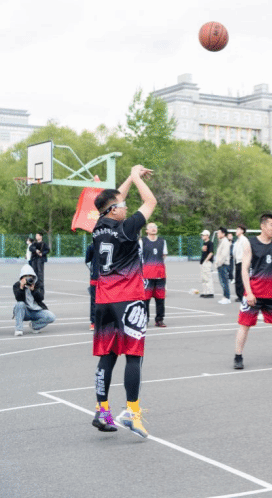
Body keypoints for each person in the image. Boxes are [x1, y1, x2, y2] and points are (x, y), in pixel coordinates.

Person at [90, 164, 156, 438]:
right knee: (134, 356)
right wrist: (136, 176)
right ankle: (132, 412)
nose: (126, 207)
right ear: (113, 211)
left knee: (108, 355)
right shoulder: (127, 229)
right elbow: (150, 201)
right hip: (128, 299)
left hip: (104, 300)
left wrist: (130, 177)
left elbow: (114, 198)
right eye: (123, 205)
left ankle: (102, 411)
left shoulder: (98, 227)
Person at [234, 213, 272, 368]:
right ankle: (238, 356)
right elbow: (244, 269)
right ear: (263, 226)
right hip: (254, 292)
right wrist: (249, 292)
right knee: (244, 325)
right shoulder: (250, 243)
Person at [12, 264, 55, 336]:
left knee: (51, 317)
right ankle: (19, 329)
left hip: (36, 311)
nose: (28, 279)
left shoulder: (38, 284)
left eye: (30, 276)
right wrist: (21, 287)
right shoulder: (17, 285)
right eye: (26, 276)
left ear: (33, 276)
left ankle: (34, 325)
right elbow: (19, 299)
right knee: (19, 304)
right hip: (24, 312)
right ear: (22, 277)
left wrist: (33, 290)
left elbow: (41, 298)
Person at [140, 222, 168, 326]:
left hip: (160, 274)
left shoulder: (162, 241)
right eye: (151, 227)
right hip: (147, 274)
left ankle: (159, 319)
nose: (153, 228)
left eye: (155, 227)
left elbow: (164, 255)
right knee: (145, 299)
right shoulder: (142, 241)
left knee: (160, 298)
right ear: (147, 230)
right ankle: (145, 320)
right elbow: (139, 256)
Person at [215, 227, 232, 304]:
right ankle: (225, 297)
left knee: (224, 282)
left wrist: (219, 263)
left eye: (219, 233)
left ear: (223, 233)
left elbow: (224, 254)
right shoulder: (221, 241)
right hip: (221, 265)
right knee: (222, 282)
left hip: (223, 264)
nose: (217, 234)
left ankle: (227, 298)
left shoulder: (225, 241)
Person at [233, 225, 249, 302]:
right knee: (237, 279)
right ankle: (239, 295)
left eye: (238, 229)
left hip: (242, 261)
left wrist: (245, 261)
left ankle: (242, 295)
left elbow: (246, 252)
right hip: (237, 261)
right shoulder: (238, 240)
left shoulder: (244, 240)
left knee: (241, 279)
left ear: (242, 231)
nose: (236, 231)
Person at [85, 243, 98, 331]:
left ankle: (94, 322)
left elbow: (87, 261)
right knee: (94, 300)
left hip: (100, 277)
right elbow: (88, 260)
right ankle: (94, 322)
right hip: (99, 277)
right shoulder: (92, 246)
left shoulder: (92, 245)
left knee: (94, 300)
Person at [199, 229, 215, 298]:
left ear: (207, 236)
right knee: (203, 278)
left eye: (203, 235)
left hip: (207, 262)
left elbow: (211, 253)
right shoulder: (204, 243)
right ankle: (205, 292)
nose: (202, 236)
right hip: (203, 262)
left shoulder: (210, 243)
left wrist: (206, 260)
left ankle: (210, 292)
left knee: (208, 278)